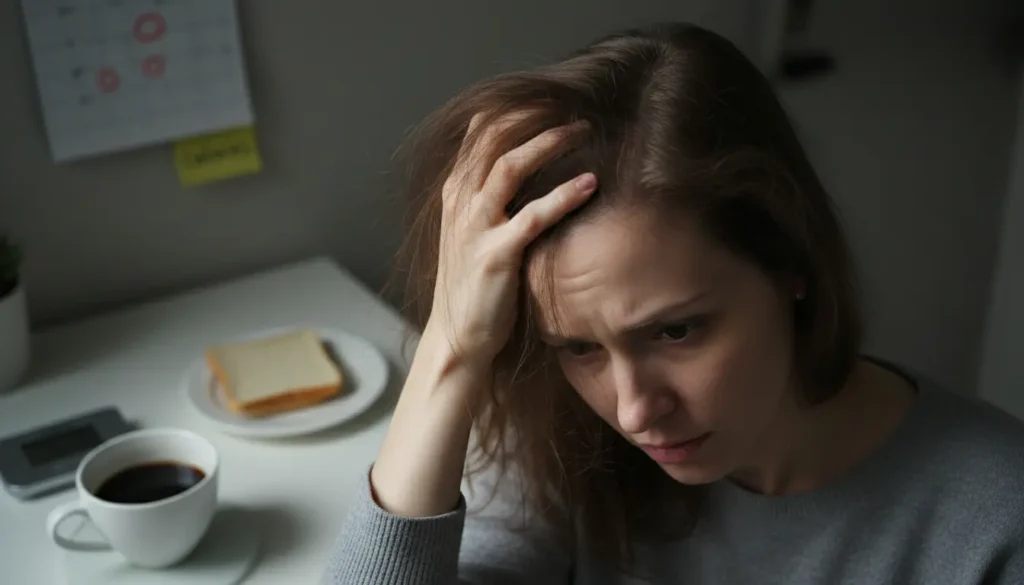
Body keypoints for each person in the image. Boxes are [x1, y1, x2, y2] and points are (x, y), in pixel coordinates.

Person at [322, 22, 1024, 585]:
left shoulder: (997, 520)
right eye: (580, 347)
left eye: (676, 330)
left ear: (790, 263)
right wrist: (452, 345)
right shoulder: (570, 450)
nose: (633, 410)